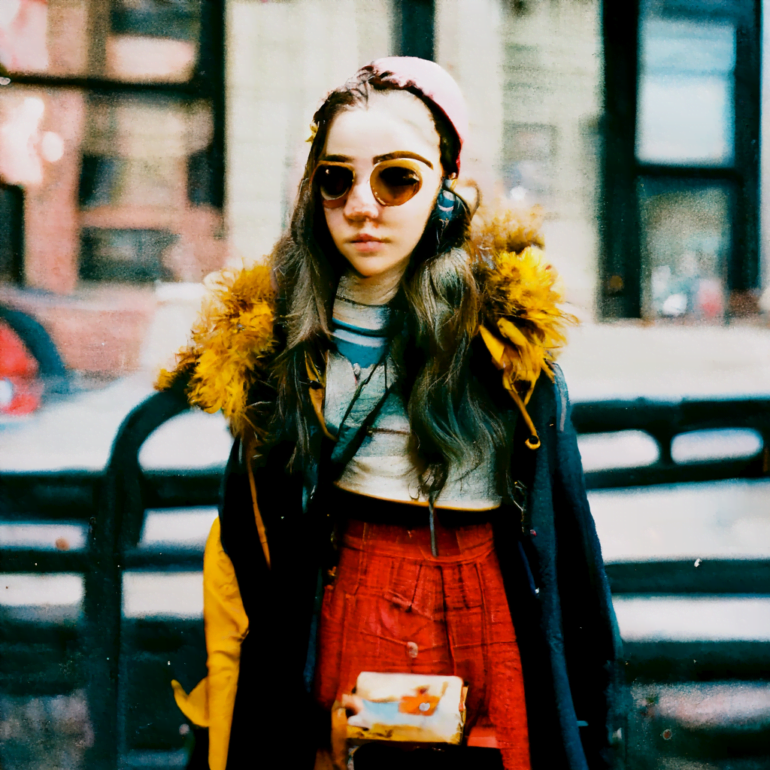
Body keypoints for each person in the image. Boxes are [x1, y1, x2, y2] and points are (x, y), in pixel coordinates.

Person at [158, 57, 623, 770]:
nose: (362, 206)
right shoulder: (274, 337)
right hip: (348, 590)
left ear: (448, 188)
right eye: (336, 179)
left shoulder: (506, 339)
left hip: (483, 596)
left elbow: (569, 540)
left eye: (397, 177)